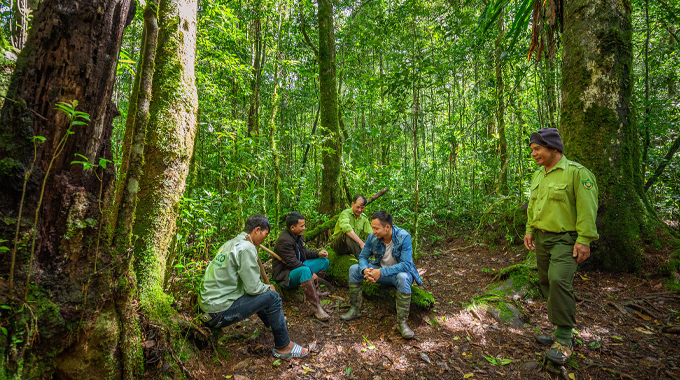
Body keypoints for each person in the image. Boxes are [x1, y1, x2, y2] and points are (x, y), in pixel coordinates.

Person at [523, 128, 599, 365]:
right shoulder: (539, 175)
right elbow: (533, 205)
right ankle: (558, 331)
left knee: (558, 279)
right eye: (532, 149)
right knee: (546, 282)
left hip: (566, 239)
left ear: (553, 148)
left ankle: (565, 338)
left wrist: (584, 239)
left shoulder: (577, 173)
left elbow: (588, 208)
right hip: (543, 239)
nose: (533, 154)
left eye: (538, 149)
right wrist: (529, 229)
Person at [198, 214, 308, 359]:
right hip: (216, 312)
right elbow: (253, 288)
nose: (265, 239)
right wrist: (269, 288)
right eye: (265, 234)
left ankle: (271, 323)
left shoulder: (232, 243)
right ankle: (284, 347)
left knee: (264, 294)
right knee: (272, 297)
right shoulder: (246, 247)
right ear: (257, 230)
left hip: (207, 308)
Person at [340, 211, 422, 339]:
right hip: (379, 270)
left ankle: (402, 323)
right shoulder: (373, 237)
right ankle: (355, 309)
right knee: (353, 269)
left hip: (397, 274)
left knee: (403, 277)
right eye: (372, 227)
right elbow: (362, 257)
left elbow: (406, 265)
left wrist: (381, 272)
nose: (373, 231)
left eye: (376, 228)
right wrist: (365, 270)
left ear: (387, 227)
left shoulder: (403, 237)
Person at [272, 212, 330, 321]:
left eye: (304, 225)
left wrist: (318, 253)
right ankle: (316, 308)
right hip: (286, 274)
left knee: (324, 262)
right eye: (302, 226)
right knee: (305, 271)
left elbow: (303, 253)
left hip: (299, 266)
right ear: (292, 227)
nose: (304, 228)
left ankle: (315, 290)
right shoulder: (284, 240)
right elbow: (292, 263)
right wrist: (311, 272)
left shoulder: (299, 236)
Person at [330, 194, 373, 258]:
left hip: (351, 246)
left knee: (369, 243)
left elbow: (370, 233)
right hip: (339, 245)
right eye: (358, 207)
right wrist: (360, 243)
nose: (359, 210)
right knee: (347, 233)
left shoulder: (363, 218)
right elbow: (346, 228)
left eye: (362, 208)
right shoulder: (345, 213)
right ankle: (361, 259)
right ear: (352, 204)